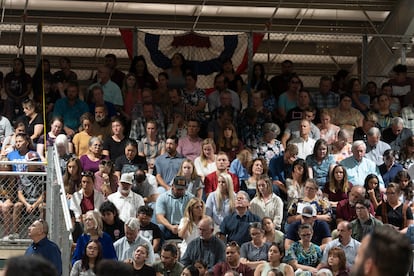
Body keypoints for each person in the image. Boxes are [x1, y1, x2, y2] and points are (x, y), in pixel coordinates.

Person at [155, 176, 194, 240]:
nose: (180, 191)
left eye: (182, 189)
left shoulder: (191, 198)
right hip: (169, 227)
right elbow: (159, 217)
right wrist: (171, 227)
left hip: (186, 227)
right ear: (172, 186)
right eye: (178, 189)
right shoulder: (162, 197)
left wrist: (185, 226)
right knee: (160, 227)